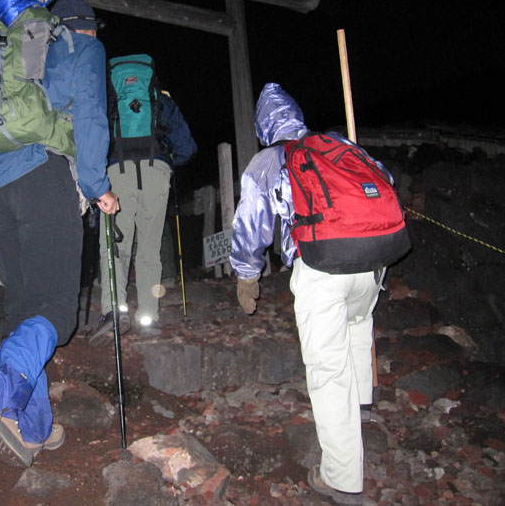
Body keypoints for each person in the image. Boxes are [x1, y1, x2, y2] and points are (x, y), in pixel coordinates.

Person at [0, 0, 119, 468]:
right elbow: (88, 116)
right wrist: (97, 186)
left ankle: (28, 425)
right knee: (56, 310)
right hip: (44, 177)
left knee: (23, 305)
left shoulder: (12, 51)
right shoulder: (82, 48)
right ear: (85, 26)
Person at [230, 83, 387, 506]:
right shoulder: (337, 145)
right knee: (357, 326)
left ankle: (342, 478)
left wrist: (247, 276)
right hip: (372, 261)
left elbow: (251, 226)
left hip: (322, 265)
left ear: (265, 125)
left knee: (328, 369)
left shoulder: (267, 161)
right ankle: (364, 408)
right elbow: (384, 181)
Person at [90, 89, 196, 345]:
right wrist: (169, 159)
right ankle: (149, 318)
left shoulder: (109, 102)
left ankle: (114, 311)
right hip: (155, 172)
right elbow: (187, 147)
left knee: (115, 247)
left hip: (117, 173)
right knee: (149, 247)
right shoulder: (161, 101)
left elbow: (91, 137)